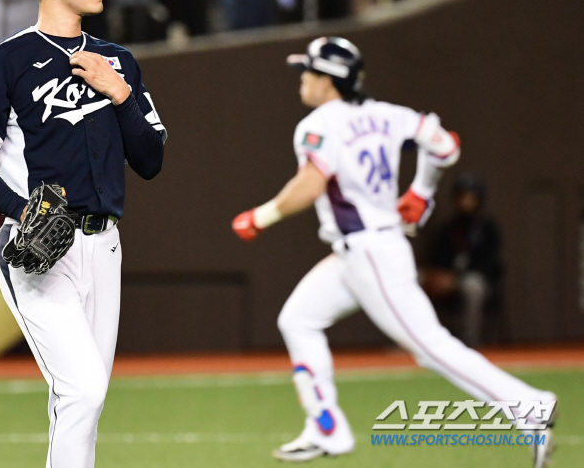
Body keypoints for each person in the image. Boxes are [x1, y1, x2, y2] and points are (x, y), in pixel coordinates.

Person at [231, 37, 556, 466]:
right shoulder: (389, 114)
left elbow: (310, 186)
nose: (303, 78)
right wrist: (422, 191)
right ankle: (326, 427)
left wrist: (261, 216)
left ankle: (530, 408)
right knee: (298, 319)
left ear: (330, 78)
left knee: (430, 346)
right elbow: (446, 145)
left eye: (308, 70)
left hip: (371, 251)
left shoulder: (320, 123)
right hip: (358, 250)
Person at [0, 0, 166, 468]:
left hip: (104, 248)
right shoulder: (6, 62)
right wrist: (22, 213)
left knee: (86, 401)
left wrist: (120, 94)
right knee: (83, 390)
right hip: (39, 247)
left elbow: (150, 160)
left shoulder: (119, 62)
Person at [428, 172, 503, 347]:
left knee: (472, 286)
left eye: (470, 197)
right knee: (415, 279)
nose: (465, 201)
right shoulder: (448, 227)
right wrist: (441, 275)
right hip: (447, 278)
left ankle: (470, 340)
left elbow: (490, 264)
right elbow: (436, 258)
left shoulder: (487, 227)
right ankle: (417, 340)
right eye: (461, 196)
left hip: (473, 279)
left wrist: (457, 278)